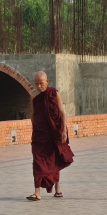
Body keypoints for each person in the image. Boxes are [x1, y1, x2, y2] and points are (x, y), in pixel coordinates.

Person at [27, 71, 74, 201]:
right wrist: (34, 129)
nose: (39, 86)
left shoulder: (54, 93)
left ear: (47, 82)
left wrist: (64, 130)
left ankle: (58, 188)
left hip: (55, 132)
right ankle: (37, 192)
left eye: (41, 83)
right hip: (40, 135)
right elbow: (33, 115)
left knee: (54, 159)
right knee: (37, 161)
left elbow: (62, 112)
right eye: (36, 84)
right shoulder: (34, 97)